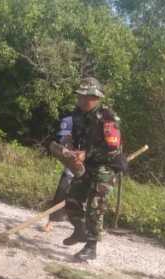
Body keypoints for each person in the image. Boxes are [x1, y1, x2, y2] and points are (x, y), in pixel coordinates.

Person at [63, 77, 124, 261]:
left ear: (96, 98)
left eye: (85, 97)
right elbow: (76, 136)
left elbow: (112, 149)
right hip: (86, 166)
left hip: (106, 167)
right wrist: (69, 142)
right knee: (72, 200)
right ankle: (79, 230)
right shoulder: (78, 115)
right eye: (79, 96)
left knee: (95, 207)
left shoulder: (108, 118)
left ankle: (91, 246)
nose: (81, 100)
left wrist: (86, 153)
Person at [43, 114, 75, 232]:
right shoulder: (65, 133)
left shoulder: (85, 133)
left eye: (68, 134)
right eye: (64, 135)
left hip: (86, 171)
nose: (65, 138)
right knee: (60, 193)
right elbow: (61, 145)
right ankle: (51, 221)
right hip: (70, 170)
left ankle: (87, 228)